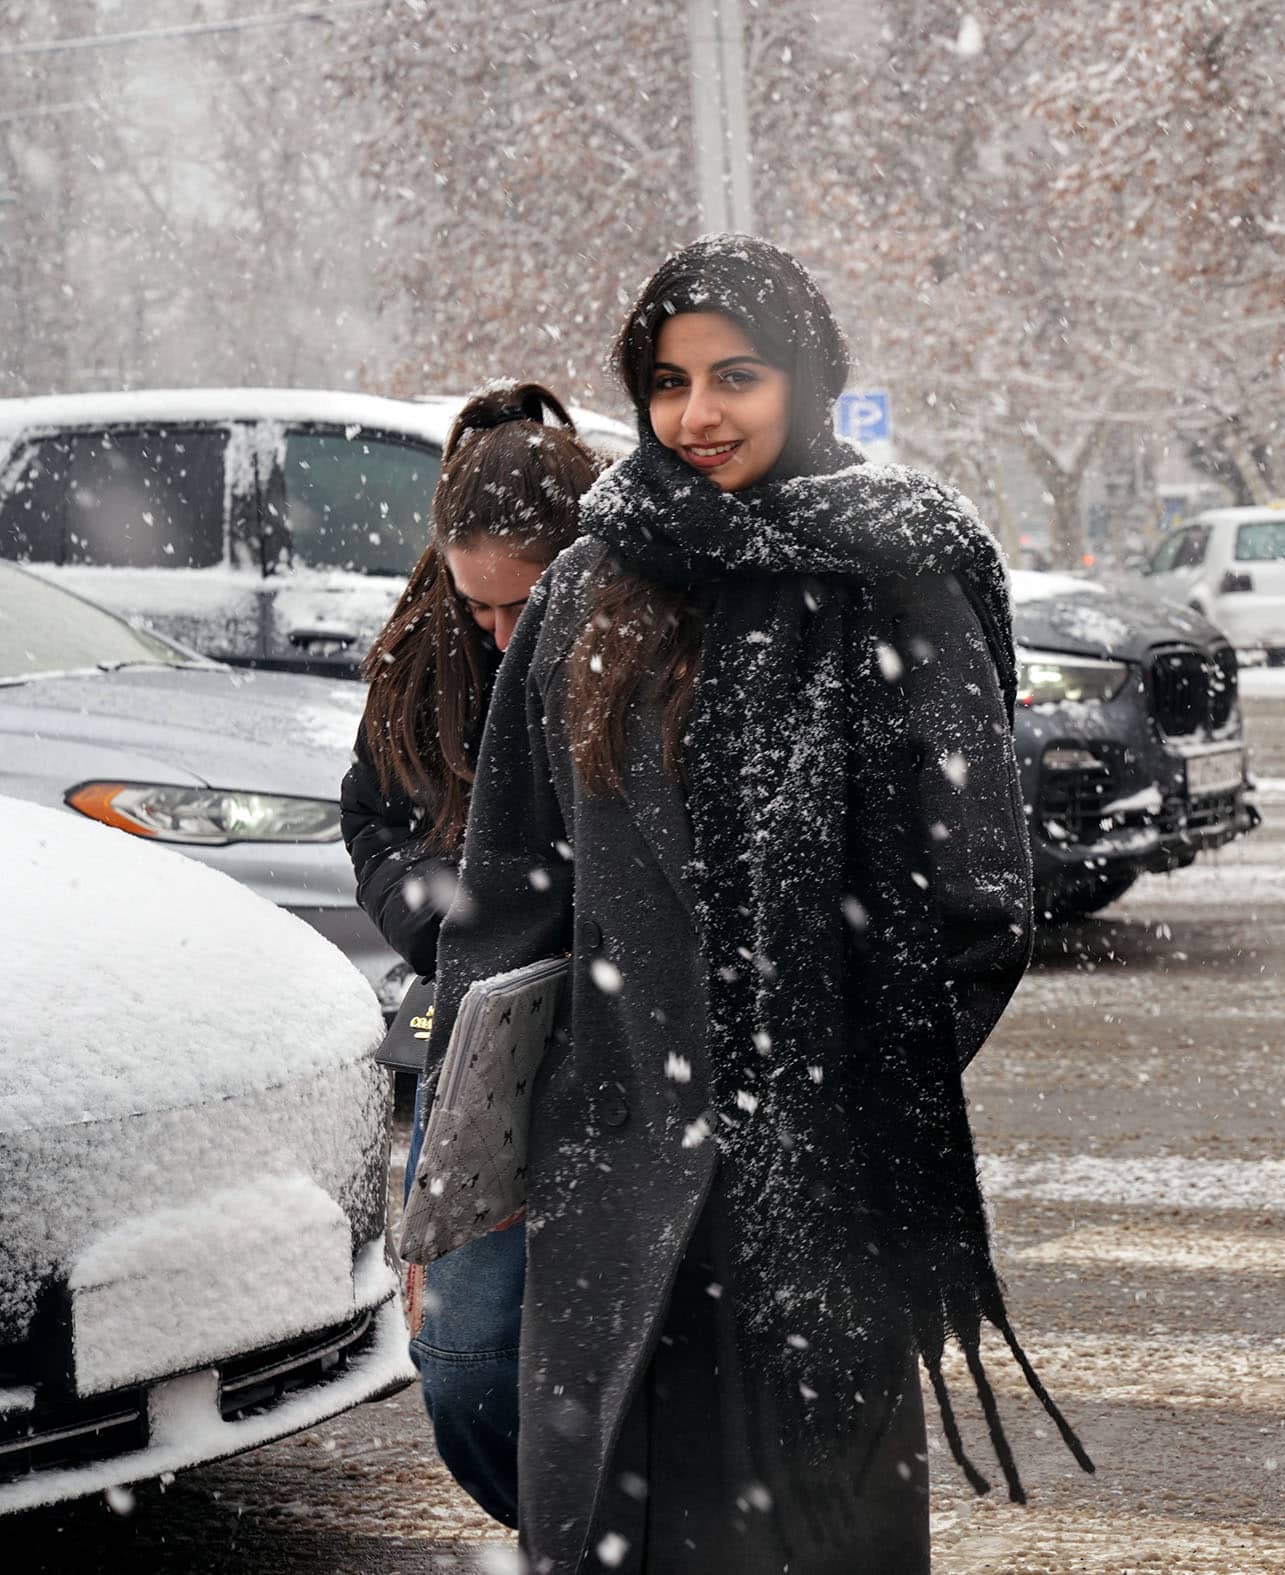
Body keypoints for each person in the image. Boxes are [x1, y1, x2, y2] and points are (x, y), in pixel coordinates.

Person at [425, 235, 1088, 1574]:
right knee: (618, 1516)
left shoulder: (893, 573)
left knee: (801, 1529)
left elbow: (977, 900)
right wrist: (488, 1139)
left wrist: (828, 1075)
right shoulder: (587, 586)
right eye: (668, 383)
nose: (698, 414)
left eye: (736, 375)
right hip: (611, 1162)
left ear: (807, 374)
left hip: (817, 1181)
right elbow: (509, 897)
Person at [342, 379, 605, 1530]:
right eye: (476, 606)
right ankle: (568, 1533)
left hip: (617, 1054)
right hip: (476, 1047)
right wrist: (440, 922)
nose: (500, 633)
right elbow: (373, 817)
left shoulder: (640, 640)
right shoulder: (423, 655)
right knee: (463, 1362)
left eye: (521, 603)